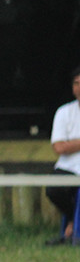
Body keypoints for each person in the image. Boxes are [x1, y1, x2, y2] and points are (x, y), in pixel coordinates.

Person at [44, 64, 80, 246]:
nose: (79, 88)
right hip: (68, 167)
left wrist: (72, 143)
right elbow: (58, 147)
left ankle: (74, 232)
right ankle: (74, 221)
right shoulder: (64, 112)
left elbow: (65, 145)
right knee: (53, 189)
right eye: (76, 83)